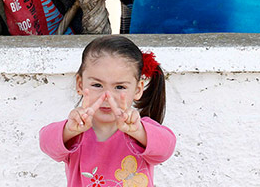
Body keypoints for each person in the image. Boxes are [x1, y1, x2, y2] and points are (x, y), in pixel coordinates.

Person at [39, 35, 175, 186]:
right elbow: (46, 143)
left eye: (119, 87)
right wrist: (68, 130)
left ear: (138, 89)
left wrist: (139, 131)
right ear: (80, 84)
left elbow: (166, 149)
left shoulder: (141, 131)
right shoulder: (75, 133)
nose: (107, 97)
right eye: (97, 85)